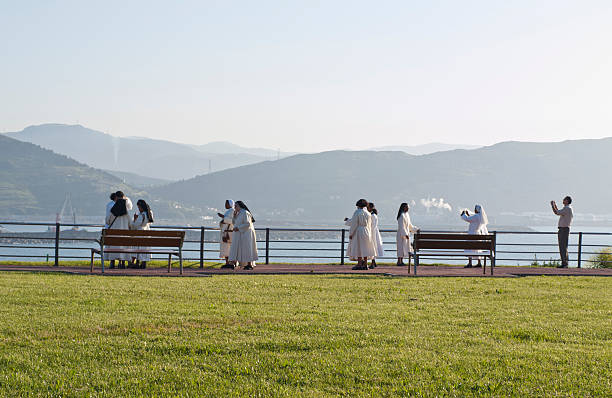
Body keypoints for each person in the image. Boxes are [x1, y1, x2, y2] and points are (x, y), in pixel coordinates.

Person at [105, 190, 133, 269]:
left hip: (113, 235)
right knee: (124, 244)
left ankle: (112, 262)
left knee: (113, 244)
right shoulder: (126, 213)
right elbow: (131, 224)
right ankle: (123, 262)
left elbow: (107, 221)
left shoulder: (112, 211)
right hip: (124, 236)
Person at [346, 199, 376, 270]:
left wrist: (351, 233)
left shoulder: (357, 212)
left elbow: (354, 223)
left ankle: (359, 264)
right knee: (365, 248)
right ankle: (365, 264)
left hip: (359, 231)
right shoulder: (368, 213)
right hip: (366, 231)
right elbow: (369, 224)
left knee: (358, 247)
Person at [229, 201, 258, 270]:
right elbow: (234, 223)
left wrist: (238, 228)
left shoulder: (245, 213)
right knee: (237, 249)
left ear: (240, 206)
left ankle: (249, 264)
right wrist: (234, 216)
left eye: (236, 206)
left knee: (247, 249)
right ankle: (235, 263)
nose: (234, 207)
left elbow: (247, 224)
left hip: (246, 235)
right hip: (239, 234)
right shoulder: (239, 213)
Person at [129, 199, 154, 269]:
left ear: (141, 207)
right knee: (144, 248)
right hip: (147, 234)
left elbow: (135, 226)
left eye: (139, 207)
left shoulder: (141, 215)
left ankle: (137, 262)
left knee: (137, 247)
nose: (138, 209)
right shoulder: (150, 213)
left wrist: (134, 219)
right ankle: (143, 263)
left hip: (140, 234)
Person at [551, 196, 573, 268]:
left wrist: (553, 205)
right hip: (564, 229)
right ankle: (565, 262)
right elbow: (559, 212)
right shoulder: (567, 209)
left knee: (562, 246)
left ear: (567, 201)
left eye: (564, 199)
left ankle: (564, 263)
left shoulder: (567, 208)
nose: (563, 200)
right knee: (564, 246)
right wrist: (555, 206)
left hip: (563, 229)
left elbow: (556, 212)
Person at [217, 200, 235, 268]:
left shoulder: (232, 211)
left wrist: (223, 217)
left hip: (229, 232)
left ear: (230, 204)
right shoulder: (229, 211)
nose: (225, 205)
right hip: (226, 232)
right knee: (226, 248)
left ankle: (230, 263)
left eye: (226, 203)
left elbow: (233, 221)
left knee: (228, 248)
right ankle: (227, 262)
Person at [367, 202, 384, 268]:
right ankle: (373, 262)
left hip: (373, 233)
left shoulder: (373, 216)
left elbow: (372, 226)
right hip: (374, 232)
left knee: (373, 246)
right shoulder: (372, 215)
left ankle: (372, 262)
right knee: (373, 247)